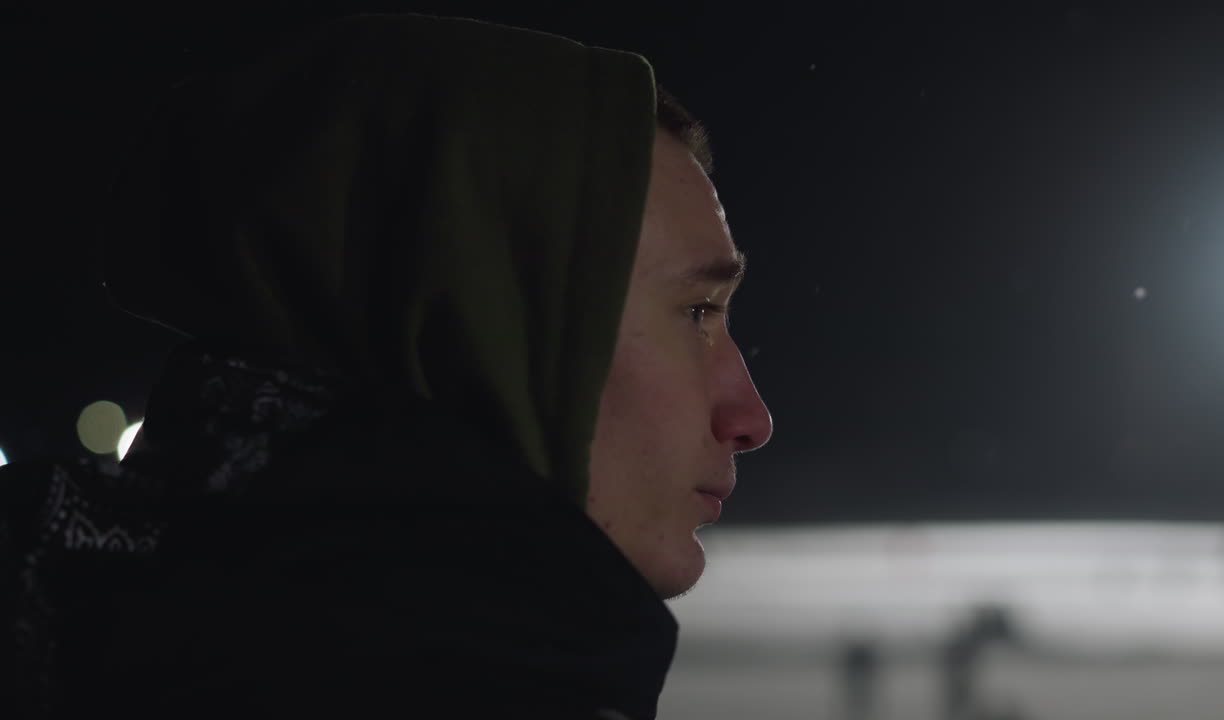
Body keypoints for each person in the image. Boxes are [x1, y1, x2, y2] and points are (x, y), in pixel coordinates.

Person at [0, 13, 772, 719]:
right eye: (697, 313)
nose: (751, 418)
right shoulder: (469, 680)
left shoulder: (69, 606)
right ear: (472, 312)